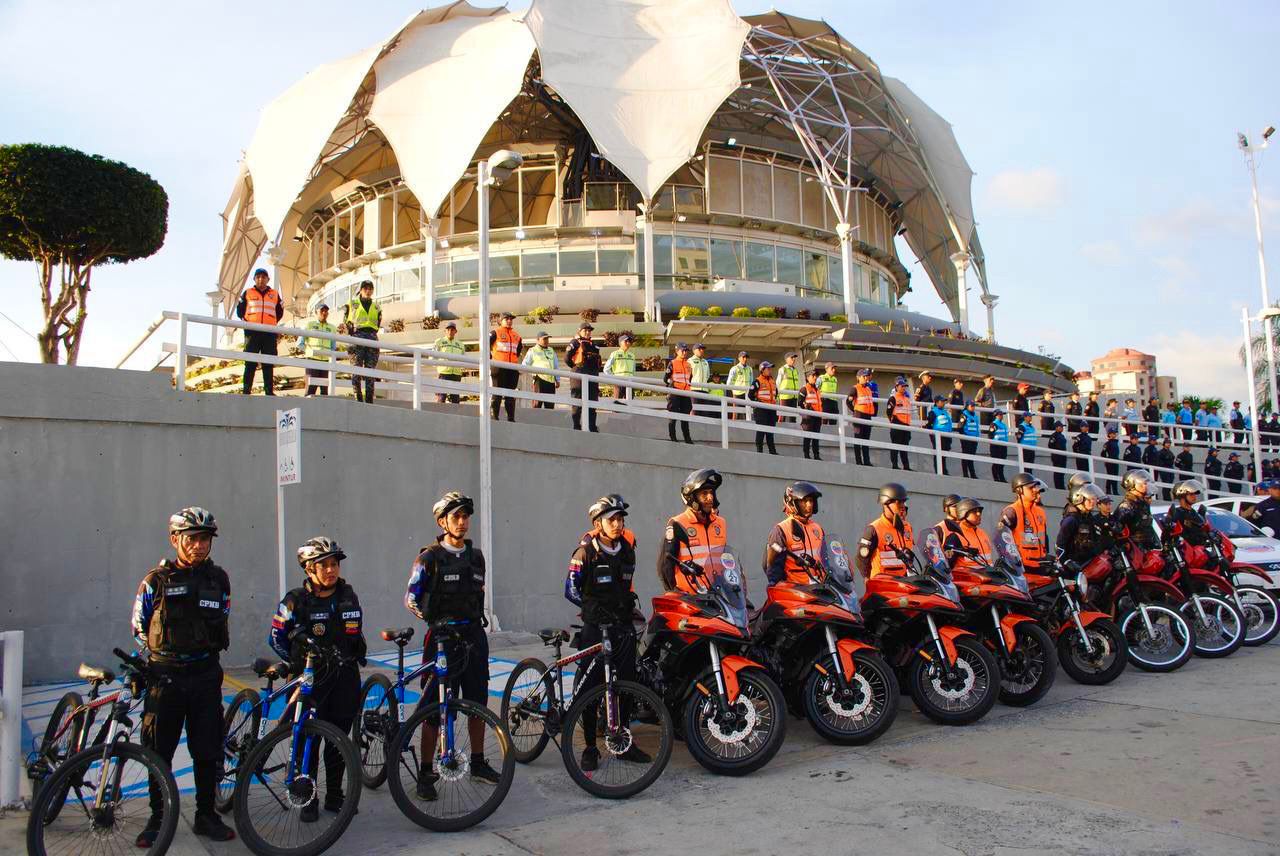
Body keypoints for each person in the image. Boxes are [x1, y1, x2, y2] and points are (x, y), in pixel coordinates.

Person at [131, 507, 235, 845]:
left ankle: (206, 815)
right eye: (192, 539)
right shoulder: (155, 581)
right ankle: (158, 818)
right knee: (158, 749)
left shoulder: (218, 579)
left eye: (205, 540)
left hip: (205, 674)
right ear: (175, 539)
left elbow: (224, 614)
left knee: (207, 748)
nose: (199, 546)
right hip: (166, 677)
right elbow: (139, 626)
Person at [405, 492, 501, 799]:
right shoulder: (429, 557)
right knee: (434, 706)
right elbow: (411, 599)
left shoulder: (477, 556)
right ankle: (425, 773)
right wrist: (433, 619)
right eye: (456, 517)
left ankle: (477, 762)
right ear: (442, 521)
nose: (462, 522)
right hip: (442, 640)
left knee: (477, 702)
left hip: (473, 637)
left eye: (466, 516)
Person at [268, 537, 366, 821]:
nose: (331, 570)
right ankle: (306, 795)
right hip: (311, 679)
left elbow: (355, 631)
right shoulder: (294, 600)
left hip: (345, 676)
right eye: (323, 565)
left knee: (338, 739)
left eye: (334, 564)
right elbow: (276, 637)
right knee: (307, 737)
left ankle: (336, 796)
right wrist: (298, 661)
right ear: (309, 569)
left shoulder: (348, 595)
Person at [563, 495, 651, 770]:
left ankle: (622, 741)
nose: (618, 524)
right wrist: (592, 608)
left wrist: (627, 605)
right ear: (598, 523)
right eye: (612, 519)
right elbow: (571, 589)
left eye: (621, 519)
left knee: (626, 684)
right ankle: (590, 747)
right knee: (591, 687)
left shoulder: (627, 550)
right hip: (595, 628)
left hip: (622, 628)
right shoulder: (585, 553)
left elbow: (625, 587)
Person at [658, 469, 728, 592]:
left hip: (718, 594)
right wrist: (674, 592)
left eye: (711, 493)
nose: (710, 497)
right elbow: (666, 566)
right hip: (690, 597)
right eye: (704, 493)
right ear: (692, 498)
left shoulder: (720, 523)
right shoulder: (677, 523)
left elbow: (726, 559)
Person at [763, 482, 827, 584]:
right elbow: (772, 566)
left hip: (820, 588)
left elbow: (826, 559)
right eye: (804, 501)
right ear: (793, 503)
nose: (809, 504)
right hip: (796, 590)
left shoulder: (817, 528)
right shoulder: (781, 530)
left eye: (811, 500)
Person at [236, 268, 283, 396]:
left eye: (263, 277)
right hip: (252, 332)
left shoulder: (274, 294)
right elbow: (240, 310)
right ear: (254, 279)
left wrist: (270, 322)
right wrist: (249, 321)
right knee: (250, 361)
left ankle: (269, 391)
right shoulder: (247, 293)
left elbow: (279, 312)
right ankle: (246, 390)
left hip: (269, 333)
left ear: (268, 279)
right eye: (258, 277)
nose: (261, 279)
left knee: (268, 361)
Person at [855, 483, 914, 578]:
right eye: (899, 502)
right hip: (882, 585)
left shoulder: (907, 527)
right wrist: (868, 579)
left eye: (904, 502)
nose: (903, 506)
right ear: (886, 503)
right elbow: (861, 559)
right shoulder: (874, 529)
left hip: (904, 583)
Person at [999, 475, 1048, 573]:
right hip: (1023, 566)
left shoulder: (1040, 512)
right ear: (1019, 491)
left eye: (1035, 487)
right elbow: (1001, 539)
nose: (1035, 490)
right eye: (1030, 488)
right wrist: (1013, 561)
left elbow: (1045, 538)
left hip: (1042, 564)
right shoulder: (1011, 511)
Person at [344, 280, 382, 404]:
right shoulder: (352, 303)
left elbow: (378, 322)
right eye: (365, 288)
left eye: (370, 288)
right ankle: (358, 398)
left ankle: (369, 399)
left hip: (372, 337)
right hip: (357, 335)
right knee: (356, 369)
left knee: (370, 371)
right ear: (360, 290)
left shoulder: (377, 306)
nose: (368, 291)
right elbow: (346, 320)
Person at [1056, 483, 1110, 567]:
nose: (1093, 502)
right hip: (1075, 566)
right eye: (1089, 499)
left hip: (1090, 563)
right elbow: (1059, 545)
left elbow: (1097, 541)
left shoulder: (1091, 519)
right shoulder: (1071, 520)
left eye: (1094, 499)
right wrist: (1066, 562)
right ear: (1079, 498)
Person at [565, 322, 602, 432]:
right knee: (577, 401)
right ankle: (576, 426)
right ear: (580, 331)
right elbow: (567, 359)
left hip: (592, 376)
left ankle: (592, 427)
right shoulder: (575, 342)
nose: (587, 332)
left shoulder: (594, 345)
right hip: (579, 374)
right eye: (585, 330)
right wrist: (576, 368)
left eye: (589, 330)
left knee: (592, 402)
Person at [943, 498, 995, 573]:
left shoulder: (983, 533)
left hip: (990, 576)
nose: (979, 514)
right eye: (975, 512)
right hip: (969, 580)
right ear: (963, 514)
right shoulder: (956, 535)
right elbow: (947, 563)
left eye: (979, 511)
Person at [488, 312, 523, 421]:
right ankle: (494, 417)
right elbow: (485, 346)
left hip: (512, 368)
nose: (509, 321)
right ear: (500, 321)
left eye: (511, 319)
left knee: (510, 394)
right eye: (506, 318)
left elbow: (518, 351)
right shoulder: (495, 333)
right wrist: (491, 360)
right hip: (498, 367)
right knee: (497, 392)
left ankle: (511, 418)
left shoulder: (517, 336)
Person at [1114, 469, 1158, 551]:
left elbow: (1147, 526)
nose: (1146, 485)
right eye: (1144, 483)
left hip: (1147, 549)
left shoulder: (1143, 504)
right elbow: (1117, 530)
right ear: (1132, 484)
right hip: (1134, 551)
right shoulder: (1126, 506)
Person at [663, 342, 694, 444]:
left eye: (686, 351)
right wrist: (672, 386)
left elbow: (690, 379)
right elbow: (665, 379)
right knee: (673, 417)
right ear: (677, 351)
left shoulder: (689, 364)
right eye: (683, 350)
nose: (685, 352)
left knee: (685, 418)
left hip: (686, 394)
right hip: (675, 393)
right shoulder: (672, 363)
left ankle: (687, 439)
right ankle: (673, 438)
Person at [303, 304, 336, 396]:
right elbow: (300, 343)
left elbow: (333, 346)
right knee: (310, 390)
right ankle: (306, 409)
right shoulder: (309, 325)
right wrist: (308, 352)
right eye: (322, 311)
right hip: (312, 360)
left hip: (326, 362)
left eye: (326, 311)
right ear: (316, 312)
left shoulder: (332, 328)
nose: (324, 313)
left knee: (325, 391)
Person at [848, 368, 877, 466]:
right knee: (858, 440)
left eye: (866, 376)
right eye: (864, 376)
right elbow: (848, 401)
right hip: (859, 416)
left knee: (866, 441)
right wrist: (855, 410)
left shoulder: (868, 389)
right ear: (858, 377)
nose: (866, 378)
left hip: (867, 417)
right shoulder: (855, 388)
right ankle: (859, 461)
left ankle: (867, 461)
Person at [749, 360, 779, 455]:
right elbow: (750, 395)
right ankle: (759, 452)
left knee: (771, 432)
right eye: (768, 368)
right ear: (762, 370)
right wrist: (758, 403)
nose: (770, 370)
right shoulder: (757, 381)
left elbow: (776, 393)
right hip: (761, 410)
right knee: (761, 431)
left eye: (770, 368)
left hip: (771, 410)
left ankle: (772, 451)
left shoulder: (772, 381)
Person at [522, 331, 559, 408]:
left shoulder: (551, 350)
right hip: (539, 380)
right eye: (544, 339)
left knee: (550, 407)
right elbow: (524, 365)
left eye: (547, 339)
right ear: (538, 340)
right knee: (537, 405)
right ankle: (535, 420)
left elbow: (556, 366)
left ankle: (548, 420)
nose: (546, 341)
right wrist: (533, 374)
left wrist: (557, 379)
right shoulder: (532, 350)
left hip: (551, 382)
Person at [432, 321, 467, 404]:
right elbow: (433, 356)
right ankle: (440, 416)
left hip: (456, 374)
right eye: (448, 330)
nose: (450, 332)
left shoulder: (460, 344)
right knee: (441, 397)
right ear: (445, 331)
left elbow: (464, 358)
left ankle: (455, 416)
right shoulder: (439, 341)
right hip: (444, 373)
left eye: (452, 330)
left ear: (455, 331)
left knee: (455, 398)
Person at [887, 375, 913, 470]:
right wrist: (893, 422)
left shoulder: (907, 399)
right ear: (897, 387)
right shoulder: (893, 398)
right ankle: (895, 465)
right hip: (897, 425)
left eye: (905, 386)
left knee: (905, 447)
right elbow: (889, 412)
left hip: (906, 426)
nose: (903, 388)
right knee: (895, 446)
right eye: (902, 386)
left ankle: (906, 466)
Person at [604, 333, 637, 402]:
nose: (628, 343)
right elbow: (606, 369)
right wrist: (614, 379)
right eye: (626, 341)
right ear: (620, 343)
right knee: (617, 404)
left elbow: (633, 371)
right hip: (618, 382)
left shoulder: (632, 355)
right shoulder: (614, 354)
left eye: (629, 341)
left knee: (629, 404)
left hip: (630, 382)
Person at [800, 367, 825, 460]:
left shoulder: (817, 390)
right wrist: (808, 409)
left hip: (817, 416)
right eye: (813, 375)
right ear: (808, 377)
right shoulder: (804, 389)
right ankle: (806, 455)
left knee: (816, 437)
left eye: (816, 376)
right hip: (808, 417)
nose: (815, 377)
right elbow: (800, 402)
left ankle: (816, 455)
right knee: (808, 437)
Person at [930, 395, 954, 475]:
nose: (943, 403)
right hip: (938, 436)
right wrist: (933, 437)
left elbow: (949, 424)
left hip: (946, 436)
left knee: (944, 455)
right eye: (942, 401)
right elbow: (929, 424)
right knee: (938, 455)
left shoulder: (945, 412)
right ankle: (939, 470)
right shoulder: (933, 412)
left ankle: (944, 470)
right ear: (937, 402)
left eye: (944, 401)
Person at [727, 351, 754, 420]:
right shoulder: (734, 368)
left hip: (747, 394)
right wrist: (734, 391)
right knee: (736, 414)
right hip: (737, 394)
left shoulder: (750, 369)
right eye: (743, 357)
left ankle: (748, 428)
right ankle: (733, 428)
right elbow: (729, 383)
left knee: (747, 414)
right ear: (739, 358)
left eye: (746, 357)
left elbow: (751, 382)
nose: (745, 359)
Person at [687, 342, 712, 414]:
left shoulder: (705, 362)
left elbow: (707, 375)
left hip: (705, 390)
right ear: (694, 350)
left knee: (704, 412)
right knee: (694, 410)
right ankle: (692, 424)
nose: (702, 350)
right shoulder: (690, 361)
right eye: (700, 349)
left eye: (703, 349)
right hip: (694, 389)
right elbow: (688, 376)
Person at [958, 400, 981, 479]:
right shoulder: (964, 415)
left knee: (972, 457)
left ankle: (972, 474)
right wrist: (964, 437)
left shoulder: (975, 416)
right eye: (971, 406)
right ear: (967, 406)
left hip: (974, 439)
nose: (973, 407)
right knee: (966, 456)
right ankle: (965, 474)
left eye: (974, 406)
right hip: (967, 439)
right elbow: (960, 427)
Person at [776, 351, 801, 421]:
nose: (794, 359)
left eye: (794, 358)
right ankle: (780, 431)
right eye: (792, 357)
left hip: (794, 397)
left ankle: (792, 431)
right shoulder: (782, 369)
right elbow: (777, 383)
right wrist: (778, 396)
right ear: (787, 359)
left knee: (793, 418)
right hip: (785, 397)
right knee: (782, 417)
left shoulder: (796, 370)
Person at [989, 409, 1010, 483]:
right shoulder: (993, 424)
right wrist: (996, 440)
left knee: (1002, 463)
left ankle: (1001, 477)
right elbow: (990, 436)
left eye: (1002, 415)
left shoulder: (1003, 425)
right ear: (996, 416)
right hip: (996, 447)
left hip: (1003, 446)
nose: (1002, 416)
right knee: (996, 463)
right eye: (1000, 415)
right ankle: (996, 478)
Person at [1047, 421, 1069, 489]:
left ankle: (1061, 486)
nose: (1062, 428)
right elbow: (1050, 445)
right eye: (1061, 427)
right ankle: (1058, 486)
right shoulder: (1054, 436)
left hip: (1063, 457)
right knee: (1058, 474)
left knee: (1062, 473)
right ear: (1056, 427)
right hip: (1057, 457)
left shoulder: (1062, 436)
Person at [1101, 428, 1120, 495]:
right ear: (1109, 434)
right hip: (1110, 462)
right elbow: (1103, 453)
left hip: (1115, 461)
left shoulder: (1116, 442)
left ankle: (1115, 491)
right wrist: (1107, 459)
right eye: (1112, 433)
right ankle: (1108, 490)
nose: (1114, 434)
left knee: (1115, 476)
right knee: (1110, 476)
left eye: (1115, 433)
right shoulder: (1107, 443)